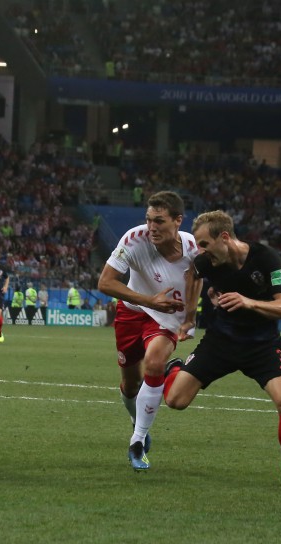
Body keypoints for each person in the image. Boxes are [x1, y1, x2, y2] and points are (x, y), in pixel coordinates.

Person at [162, 210, 281, 489]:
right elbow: (193, 276)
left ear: (224, 237)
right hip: (220, 342)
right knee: (175, 401)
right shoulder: (206, 262)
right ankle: (175, 369)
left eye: (204, 244)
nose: (200, 250)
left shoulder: (265, 258)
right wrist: (190, 317)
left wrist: (248, 301)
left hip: (262, 345)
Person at [97, 190, 200, 471]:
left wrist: (190, 317)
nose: (151, 227)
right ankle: (138, 421)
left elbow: (197, 277)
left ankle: (137, 441)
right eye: (149, 219)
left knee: (154, 363)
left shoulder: (193, 248)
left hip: (166, 316)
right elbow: (105, 283)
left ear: (178, 221)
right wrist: (149, 300)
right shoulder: (133, 239)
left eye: (159, 221)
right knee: (130, 385)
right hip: (132, 312)